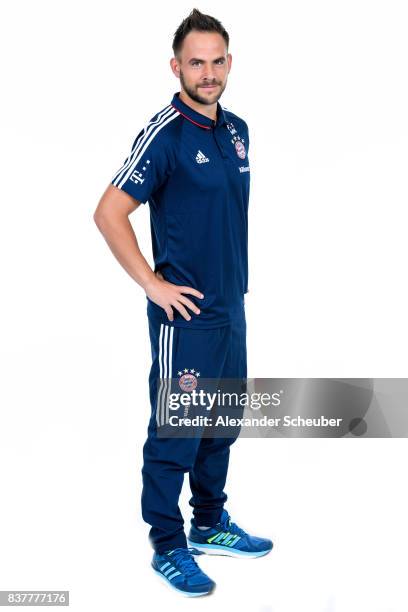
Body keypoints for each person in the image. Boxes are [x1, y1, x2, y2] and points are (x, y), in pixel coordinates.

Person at [94, 8, 272, 598]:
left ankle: (208, 522)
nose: (208, 72)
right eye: (196, 62)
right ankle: (168, 545)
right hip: (186, 316)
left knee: (224, 422)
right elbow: (109, 212)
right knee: (176, 431)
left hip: (231, 309)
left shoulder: (238, 128)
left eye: (218, 61)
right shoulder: (164, 133)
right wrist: (153, 283)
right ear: (176, 67)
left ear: (229, 63)